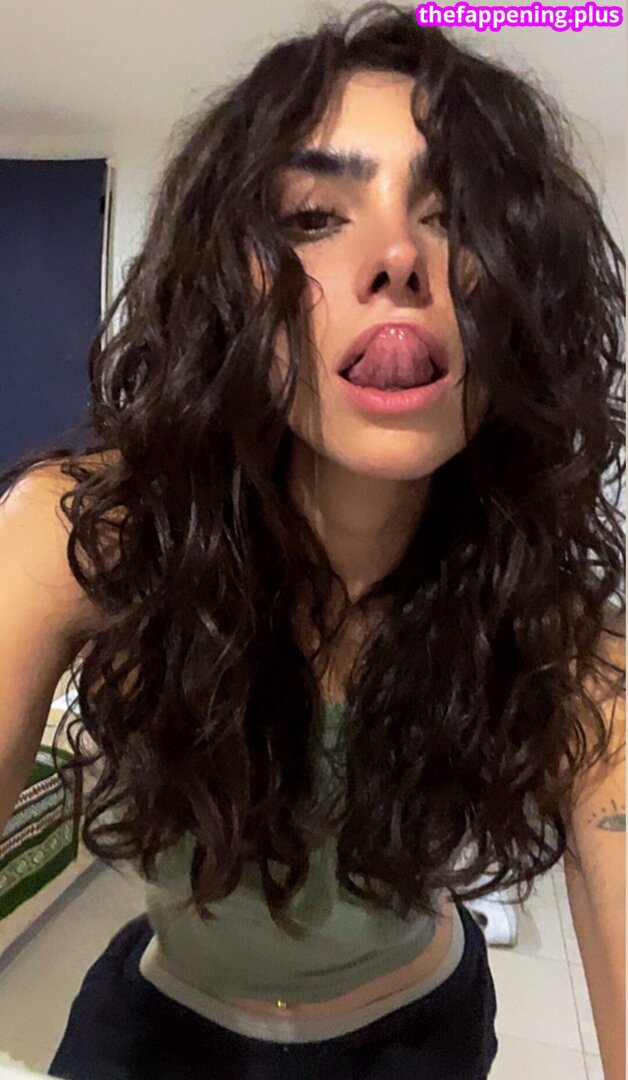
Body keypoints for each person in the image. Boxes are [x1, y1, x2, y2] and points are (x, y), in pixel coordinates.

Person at [0, 4, 625, 1078]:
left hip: (418, 1032)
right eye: (312, 215)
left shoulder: (563, 642)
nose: (398, 258)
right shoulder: (85, 535)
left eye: (455, 217)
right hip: (163, 1021)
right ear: (227, 286)